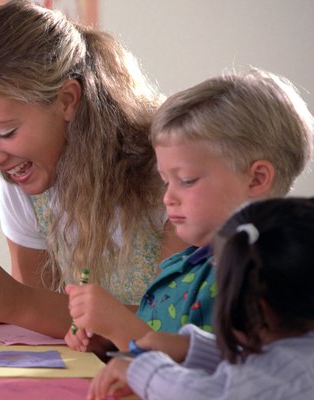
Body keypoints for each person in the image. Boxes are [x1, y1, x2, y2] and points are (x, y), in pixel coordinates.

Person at [0, 0, 178, 337]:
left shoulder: (172, 174)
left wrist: (18, 303)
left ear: (67, 100)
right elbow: (50, 323)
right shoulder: (21, 182)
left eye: (6, 132)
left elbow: (172, 330)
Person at [65, 68, 314, 354]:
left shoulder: (259, 279)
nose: (168, 198)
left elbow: (215, 375)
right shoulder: (186, 263)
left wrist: (123, 328)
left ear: (256, 178)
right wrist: (110, 342)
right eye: (165, 181)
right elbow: (164, 341)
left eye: (186, 181)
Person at [88, 197, 314, 400]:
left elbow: (202, 393)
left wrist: (142, 369)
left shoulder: (287, 375)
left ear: (256, 307)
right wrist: (192, 347)